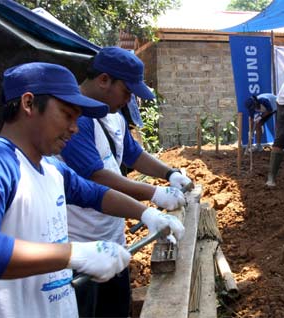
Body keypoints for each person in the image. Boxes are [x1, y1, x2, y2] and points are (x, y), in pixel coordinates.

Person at [0, 62, 185, 318]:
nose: (74, 128)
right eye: (67, 115)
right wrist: (74, 254)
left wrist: (148, 214)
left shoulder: (51, 169)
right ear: (28, 104)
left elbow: (95, 194)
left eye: (78, 118)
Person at [60, 47, 193, 317]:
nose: (129, 99)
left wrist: (170, 174)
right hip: (81, 246)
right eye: (127, 91)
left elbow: (133, 154)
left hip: (112, 239)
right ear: (104, 80)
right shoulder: (74, 120)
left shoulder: (113, 115)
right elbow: (96, 177)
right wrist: (153, 195)